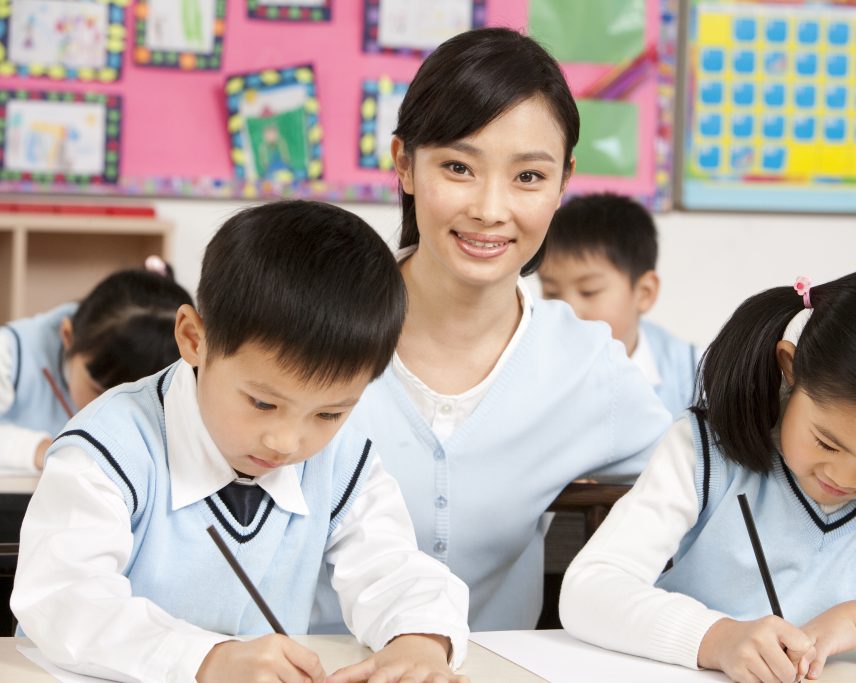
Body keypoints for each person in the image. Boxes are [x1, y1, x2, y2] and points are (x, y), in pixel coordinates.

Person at [12, 200, 470, 683]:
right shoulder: (109, 449)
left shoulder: (339, 462)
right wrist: (206, 659)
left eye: (330, 412)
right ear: (193, 338)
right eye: (262, 403)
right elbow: (64, 599)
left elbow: (392, 566)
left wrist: (420, 641)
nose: (287, 441)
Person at [346, 27, 672, 631]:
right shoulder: (314, 324)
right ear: (404, 164)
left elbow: (700, 476)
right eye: (458, 167)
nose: (491, 209)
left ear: (564, 181)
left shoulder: (583, 365)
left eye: (528, 177)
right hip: (311, 667)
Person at [560, 266, 856, 682]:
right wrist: (717, 639)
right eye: (826, 442)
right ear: (790, 368)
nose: (844, 476)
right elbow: (590, 588)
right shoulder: (704, 451)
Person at [0, 259, 193, 471]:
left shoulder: (182, 377)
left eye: (137, 399)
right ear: (68, 337)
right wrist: (45, 450)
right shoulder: (12, 351)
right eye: (99, 391)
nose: (114, 411)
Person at [538, 192, 700, 419]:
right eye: (551, 292)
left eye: (589, 291)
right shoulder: (530, 366)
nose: (566, 309)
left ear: (644, 293)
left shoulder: (695, 378)